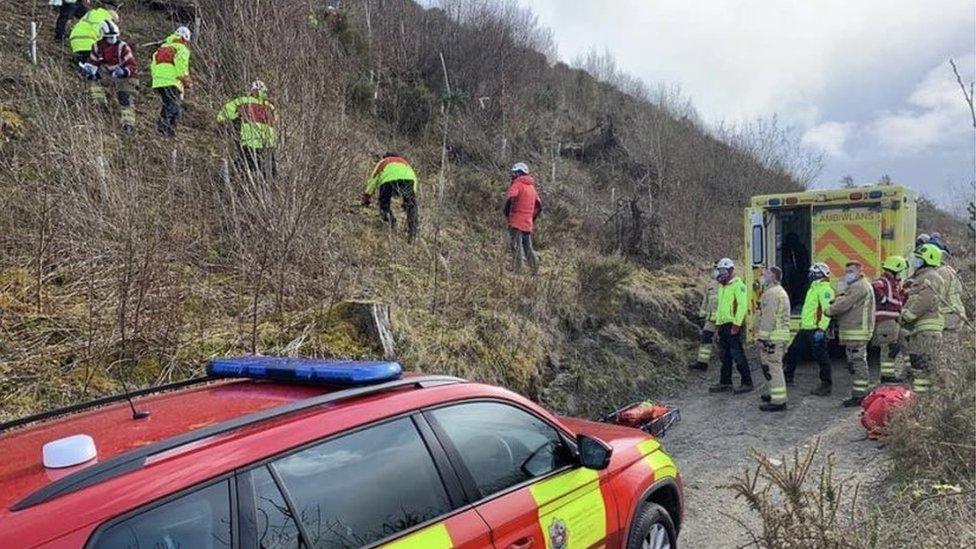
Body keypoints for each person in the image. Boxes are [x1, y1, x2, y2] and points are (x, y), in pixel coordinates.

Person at [826, 261, 876, 407]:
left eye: (851, 271)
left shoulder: (859, 287)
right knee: (855, 362)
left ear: (860, 271)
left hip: (857, 331)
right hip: (856, 330)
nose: (847, 274)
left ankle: (859, 395)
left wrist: (829, 310)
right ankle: (859, 393)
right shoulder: (857, 286)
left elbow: (844, 303)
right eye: (846, 271)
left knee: (858, 362)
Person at [900, 244, 946, 394]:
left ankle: (923, 402)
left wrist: (907, 316)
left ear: (927, 260)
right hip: (922, 330)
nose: (916, 261)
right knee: (921, 367)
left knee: (924, 367)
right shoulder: (923, 277)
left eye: (919, 259)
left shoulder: (931, 277)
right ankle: (922, 401)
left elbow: (924, 301)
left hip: (927, 331)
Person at [784, 263, 835, 396]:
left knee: (821, 357)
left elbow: (827, 311)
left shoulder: (825, 290)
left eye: (813, 272)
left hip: (816, 329)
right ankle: (787, 376)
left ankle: (826, 385)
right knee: (792, 352)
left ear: (820, 274)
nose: (810, 275)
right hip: (806, 328)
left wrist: (822, 329)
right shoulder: (813, 288)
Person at [79, 20, 137, 133]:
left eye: (114, 37)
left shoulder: (123, 47)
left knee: (125, 98)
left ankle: (128, 124)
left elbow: (132, 65)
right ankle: (101, 107)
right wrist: (89, 70)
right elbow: (93, 62)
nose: (112, 39)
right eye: (109, 37)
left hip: (124, 75)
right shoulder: (97, 46)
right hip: (106, 72)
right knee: (95, 83)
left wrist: (124, 71)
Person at [708, 258, 752, 393]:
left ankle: (747, 382)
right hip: (723, 325)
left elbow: (742, 306)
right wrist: (717, 325)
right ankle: (725, 382)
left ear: (731, 270)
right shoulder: (722, 286)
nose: (721, 273)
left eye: (723, 270)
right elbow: (720, 308)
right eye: (720, 270)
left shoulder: (738, 285)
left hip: (733, 325)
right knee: (725, 355)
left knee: (737, 354)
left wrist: (736, 325)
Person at [217, 81, 277, 177]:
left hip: (249, 141)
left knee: (243, 170)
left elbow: (221, 117)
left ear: (251, 90)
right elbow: (276, 121)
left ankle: (225, 179)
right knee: (269, 174)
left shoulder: (242, 101)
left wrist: (236, 116)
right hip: (268, 144)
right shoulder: (270, 107)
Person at [756, 266, 791, 412]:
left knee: (773, 367)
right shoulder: (779, 292)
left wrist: (762, 338)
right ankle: (773, 394)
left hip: (773, 337)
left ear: (773, 277)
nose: (763, 276)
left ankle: (778, 401)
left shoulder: (771, 294)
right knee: (771, 366)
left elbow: (768, 318)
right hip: (779, 336)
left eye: (766, 274)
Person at [362, 152, 419, 241]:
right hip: (408, 180)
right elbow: (414, 178)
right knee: (411, 206)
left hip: (388, 180)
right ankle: (413, 232)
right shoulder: (405, 162)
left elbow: (373, 179)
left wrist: (367, 196)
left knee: (384, 203)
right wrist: (409, 198)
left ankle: (390, 222)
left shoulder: (384, 162)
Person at [150, 26, 192, 138]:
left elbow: (153, 65)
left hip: (158, 81)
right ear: (184, 39)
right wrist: (186, 80)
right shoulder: (182, 49)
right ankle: (162, 130)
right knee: (172, 105)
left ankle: (170, 133)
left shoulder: (161, 49)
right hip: (172, 81)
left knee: (173, 106)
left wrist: (156, 78)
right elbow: (181, 67)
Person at [872, 256, 908, 382]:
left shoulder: (893, 284)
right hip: (885, 321)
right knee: (888, 349)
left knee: (902, 344)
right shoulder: (883, 281)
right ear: (895, 269)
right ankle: (887, 376)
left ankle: (908, 371)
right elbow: (875, 287)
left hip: (894, 321)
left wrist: (904, 292)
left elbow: (898, 301)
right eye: (900, 271)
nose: (901, 274)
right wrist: (883, 299)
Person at [503, 163, 542, 275]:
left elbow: (510, 199)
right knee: (528, 247)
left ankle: (517, 271)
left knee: (516, 246)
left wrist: (507, 213)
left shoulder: (517, 184)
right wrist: (531, 218)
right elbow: (539, 206)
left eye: (514, 173)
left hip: (516, 221)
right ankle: (535, 270)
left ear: (519, 173)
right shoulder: (532, 188)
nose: (513, 175)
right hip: (527, 223)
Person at [929, 237, 967, 351]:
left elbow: (937, 296)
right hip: (955, 313)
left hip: (949, 314)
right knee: (951, 347)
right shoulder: (948, 269)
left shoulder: (941, 272)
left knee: (944, 349)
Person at [689, 264, 719, 371]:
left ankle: (727, 363)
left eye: (716, 269)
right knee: (705, 339)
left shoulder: (728, 285)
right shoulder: (710, 286)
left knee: (726, 343)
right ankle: (702, 363)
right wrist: (702, 315)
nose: (714, 271)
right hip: (710, 320)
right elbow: (705, 302)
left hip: (724, 320)